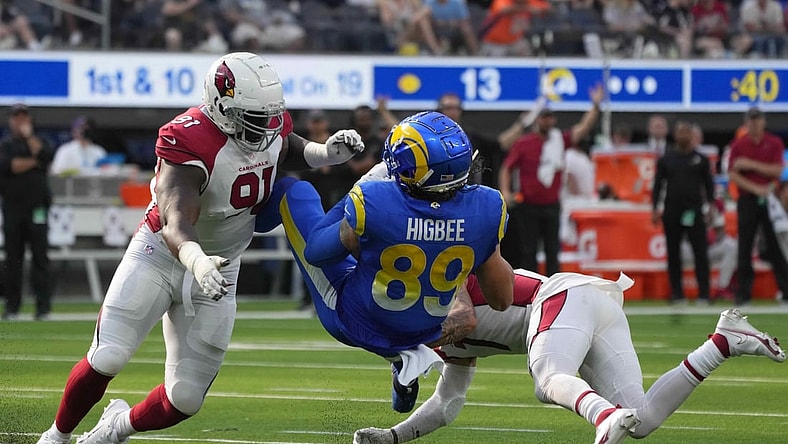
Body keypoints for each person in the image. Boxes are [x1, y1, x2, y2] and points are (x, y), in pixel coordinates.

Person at [36, 52, 365, 444]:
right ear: (223, 106)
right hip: (160, 255)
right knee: (109, 355)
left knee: (185, 398)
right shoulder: (189, 138)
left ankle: (115, 428)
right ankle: (56, 436)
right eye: (255, 118)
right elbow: (177, 222)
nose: (266, 127)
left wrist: (324, 153)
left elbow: (283, 145)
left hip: (222, 267)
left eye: (270, 116)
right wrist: (197, 262)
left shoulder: (265, 124)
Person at [257, 110, 513, 415]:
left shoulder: (375, 199)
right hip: (426, 328)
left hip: (358, 322)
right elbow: (502, 299)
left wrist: (365, 184)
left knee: (295, 192)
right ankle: (403, 360)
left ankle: (237, 223)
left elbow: (316, 251)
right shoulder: (487, 206)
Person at [352, 269, 786, 444]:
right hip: (591, 306)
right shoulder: (439, 342)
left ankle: (600, 418)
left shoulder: (438, 288)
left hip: (560, 297)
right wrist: (394, 437)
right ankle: (724, 342)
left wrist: (412, 349)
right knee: (641, 418)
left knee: (548, 378)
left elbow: (462, 318)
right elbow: (447, 405)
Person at [498, 83, 603, 276]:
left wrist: (595, 107)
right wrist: (506, 191)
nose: (547, 122)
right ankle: (531, 286)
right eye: (544, 118)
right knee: (529, 250)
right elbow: (507, 167)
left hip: (551, 203)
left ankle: (553, 286)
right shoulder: (525, 143)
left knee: (552, 249)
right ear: (538, 120)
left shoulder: (558, 140)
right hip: (529, 203)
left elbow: (583, 128)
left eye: (550, 118)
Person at [727, 106, 788, 306]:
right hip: (748, 199)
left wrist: (750, 165)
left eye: (757, 120)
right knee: (745, 246)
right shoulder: (739, 145)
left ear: (763, 122)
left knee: (775, 245)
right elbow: (733, 174)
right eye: (751, 120)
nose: (754, 123)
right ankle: (744, 294)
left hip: (770, 199)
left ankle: (785, 290)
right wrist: (756, 187)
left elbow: (777, 170)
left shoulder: (773, 143)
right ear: (747, 123)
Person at [0, 103, 55, 321]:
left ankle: (43, 307)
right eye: (16, 118)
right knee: (13, 258)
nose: (20, 122)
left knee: (40, 258)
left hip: (38, 207)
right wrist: (35, 162)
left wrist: (32, 147)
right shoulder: (5, 145)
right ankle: (12, 307)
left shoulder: (41, 141)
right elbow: (8, 166)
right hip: (13, 207)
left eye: (24, 118)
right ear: (10, 121)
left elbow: (45, 157)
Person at [651, 121, 715, 304]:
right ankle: (677, 294)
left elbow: (709, 186)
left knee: (700, 252)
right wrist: (655, 208)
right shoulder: (666, 159)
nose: (683, 136)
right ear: (675, 135)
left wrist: (710, 206)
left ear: (691, 135)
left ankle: (704, 294)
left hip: (694, 211)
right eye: (680, 132)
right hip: (672, 210)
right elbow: (658, 185)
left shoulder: (701, 160)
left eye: (687, 132)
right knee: (673, 253)